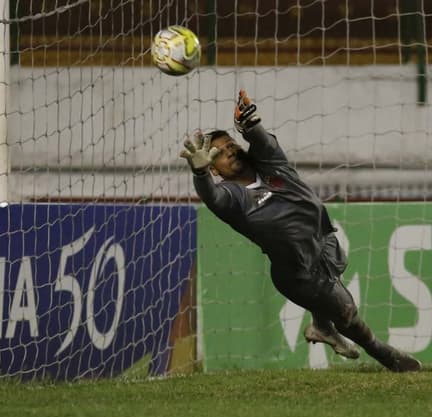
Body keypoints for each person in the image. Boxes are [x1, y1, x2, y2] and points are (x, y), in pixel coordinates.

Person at [180, 89, 422, 372]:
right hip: (299, 274)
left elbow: (264, 141)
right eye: (218, 153)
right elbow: (212, 198)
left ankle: (321, 327)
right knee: (347, 313)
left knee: (334, 279)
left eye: (230, 144)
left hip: (324, 242)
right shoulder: (232, 197)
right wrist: (199, 174)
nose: (229, 150)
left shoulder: (270, 165)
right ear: (214, 169)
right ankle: (385, 355)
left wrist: (250, 125)